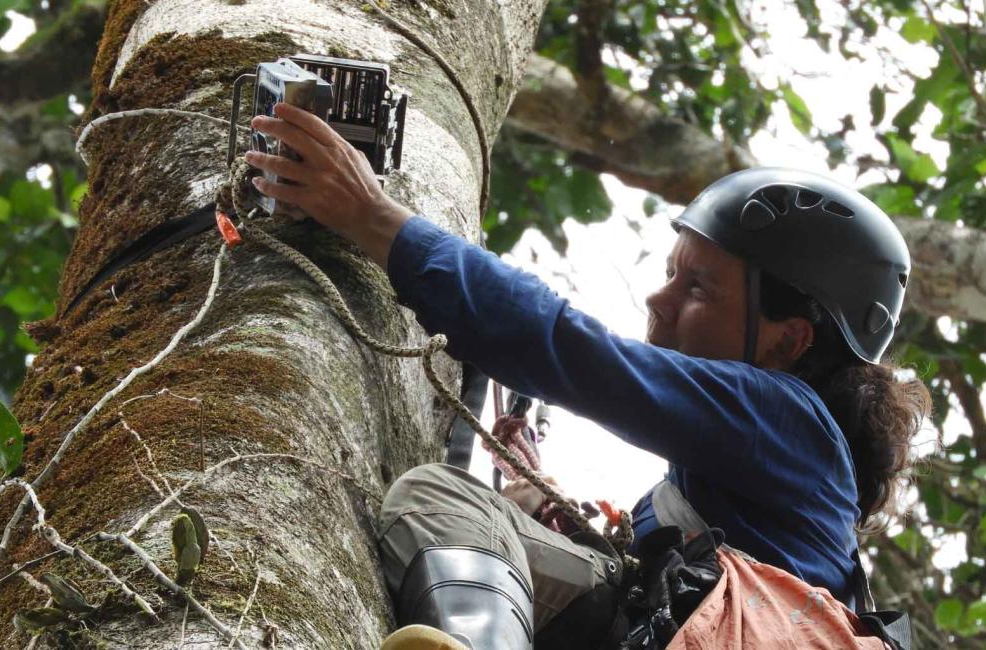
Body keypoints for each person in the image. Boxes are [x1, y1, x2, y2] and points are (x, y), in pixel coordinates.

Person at [244, 103, 933, 649]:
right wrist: (553, 519)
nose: (660, 301)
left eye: (698, 287)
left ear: (789, 341)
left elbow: (570, 351)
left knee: (439, 499)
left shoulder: (792, 423)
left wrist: (372, 217)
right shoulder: (752, 495)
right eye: (669, 274)